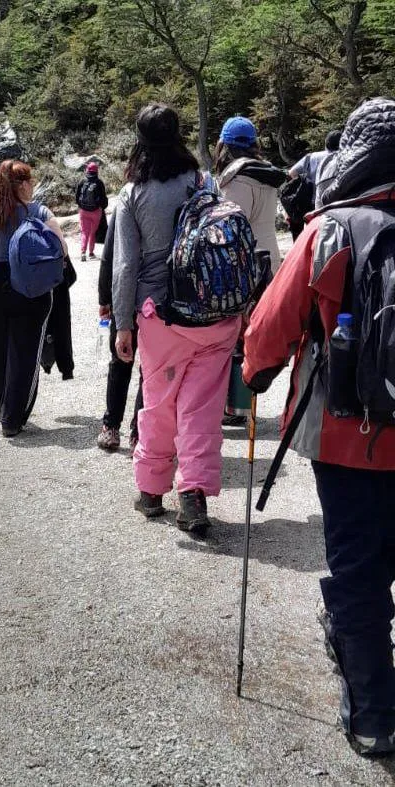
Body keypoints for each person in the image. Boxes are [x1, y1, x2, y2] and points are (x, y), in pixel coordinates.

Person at [243, 97, 395, 757]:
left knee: (358, 567)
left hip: (346, 438)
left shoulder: (329, 230)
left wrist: (255, 374)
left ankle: (372, 714)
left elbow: (270, 328)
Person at [112, 103, 241, 534]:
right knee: (201, 410)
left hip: (159, 316)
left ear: (140, 140)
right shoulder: (204, 181)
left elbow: (126, 266)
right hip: (213, 315)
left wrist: (123, 324)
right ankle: (193, 500)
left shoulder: (133, 193)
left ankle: (151, 492)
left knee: (159, 404)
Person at [0, 159, 68, 437]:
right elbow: (62, 248)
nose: (33, 186)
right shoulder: (40, 212)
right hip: (30, 287)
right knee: (25, 352)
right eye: (31, 181)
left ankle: (1, 407)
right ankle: (12, 418)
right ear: (22, 185)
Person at [213, 116, 286, 426]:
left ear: (224, 146)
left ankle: (237, 408)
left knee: (234, 338)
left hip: (245, 264)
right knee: (248, 336)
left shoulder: (238, 179)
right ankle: (240, 406)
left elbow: (232, 226)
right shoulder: (265, 173)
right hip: (269, 261)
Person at [97, 203, 143, 452]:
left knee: (120, 361)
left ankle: (112, 427)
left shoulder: (128, 200)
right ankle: (137, 432)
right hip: (158, 298)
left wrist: (105, 297)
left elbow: (109, 255)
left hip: (125, 295)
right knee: (149, 368)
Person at [75, 162, 108, 262]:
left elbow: (77, 197)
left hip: (83, 211)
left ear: (87, 170)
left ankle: (83, 252)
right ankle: (91, 253)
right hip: (95, 212)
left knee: (84, 232)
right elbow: (104, 198)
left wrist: (81, 206)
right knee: (92, 233)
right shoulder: (99, 182)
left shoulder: (82, 181)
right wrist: (102, 207)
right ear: (96, 171)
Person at [313, 129, 342, 209]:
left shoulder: (323, 162)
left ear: (326, 146)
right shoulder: (349, 157)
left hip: (325, 210)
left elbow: (319, 192)